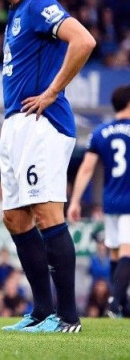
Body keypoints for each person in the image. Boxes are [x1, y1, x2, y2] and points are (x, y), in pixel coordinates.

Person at [0, 0, 96, 333]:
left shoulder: (37, 4)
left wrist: (52, 92)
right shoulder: (17, 12)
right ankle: (41, 311)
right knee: (15, 217)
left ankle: (68, 317)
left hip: (42, 124)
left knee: (48, 214)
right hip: (15, 123)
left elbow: (83, 40)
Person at [68, 84, 130, 318]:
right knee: (126, 253)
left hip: (111, 202)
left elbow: (86, 169)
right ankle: (115, 304)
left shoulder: (100, 132)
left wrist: (74, 201)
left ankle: (122, 304)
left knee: (115, 253)